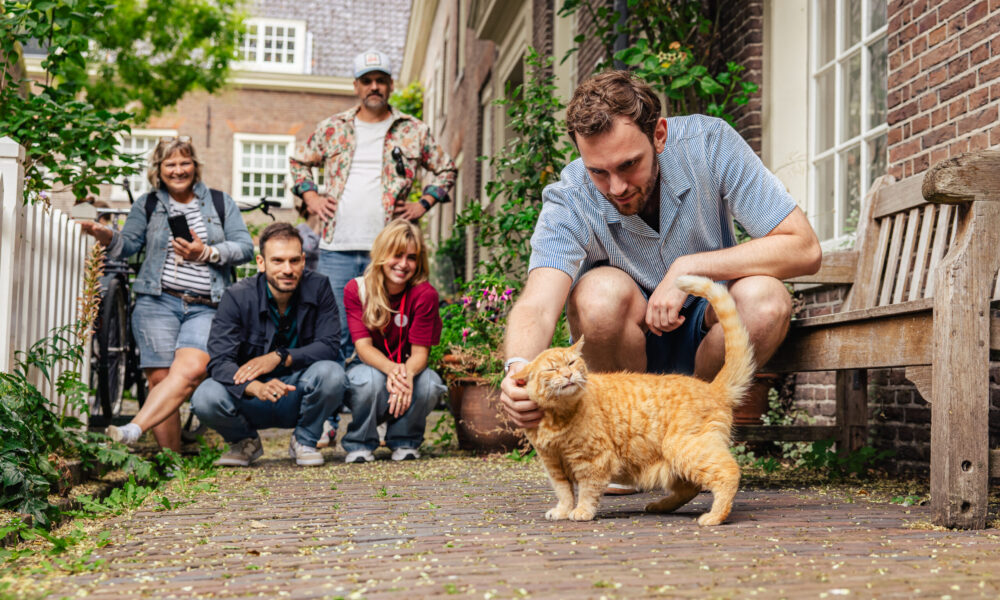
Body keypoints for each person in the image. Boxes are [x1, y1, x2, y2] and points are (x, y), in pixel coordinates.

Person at [499, 70, 821, 438]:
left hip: (709, 332)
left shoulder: (709, 144)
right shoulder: (570, 197)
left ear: (660, 135)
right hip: (624, 350)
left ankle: (687, 433)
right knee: (598, 293)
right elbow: (538, 304)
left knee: (765, 300)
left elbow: (804, 247)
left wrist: (690, 268)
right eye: (598, 172)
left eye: (628, 165)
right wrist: (518, 369)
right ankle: (623, 440)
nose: (616, 187)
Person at [79, 138, 254, 452]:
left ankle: (134, 429)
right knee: (160, 379)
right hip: (157, 301)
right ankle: (171, 465)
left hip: (207, 305)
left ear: (195, 166)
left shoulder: (219, 201)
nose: (178, 170)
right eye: (170, 164)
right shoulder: (147, 204)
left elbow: (245, 248)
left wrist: (208, 252)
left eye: (184, 162)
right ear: (158, 170)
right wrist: (105, 234)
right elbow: (129, 245)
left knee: (191, 370)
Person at [288, 49, 457, 369]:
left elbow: (446, 169)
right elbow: (299, 162)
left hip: (389, 253)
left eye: (381, 80)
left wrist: (424, 203)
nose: (374, 87)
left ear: (391, 85)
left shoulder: (413, 130)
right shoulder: (332, 128)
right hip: (336, 247)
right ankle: (333, 415)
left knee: (384, 332)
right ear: (356, 86)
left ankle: (377, 402)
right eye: (367, 81)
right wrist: (311, 196)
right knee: (334, 332)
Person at [191, 222, 347, 467]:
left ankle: (305, 440)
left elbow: (329, 345)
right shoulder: (237, 296)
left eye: (294, 261)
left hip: (299, 391)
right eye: (278, 261)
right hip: (251, 396)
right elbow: (220, 362)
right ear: (261, 263)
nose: (288, 269)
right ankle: (245, 442)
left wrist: (280, 356)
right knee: (205, 397)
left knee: (333, 374)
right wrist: (254, 387)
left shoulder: (319, 287)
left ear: (304, 261)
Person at [339, 220, 446, 463]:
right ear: (381, 254)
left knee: (430, 383)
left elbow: (420, 354)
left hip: (410, 367)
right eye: (396, 255)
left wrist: (405, 376)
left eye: (411, 257)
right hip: (371, 368)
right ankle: (360, 442)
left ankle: (405, 440)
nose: (403, 264)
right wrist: (394, 372)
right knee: (370, 381)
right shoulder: (357, 289)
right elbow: (363, 346)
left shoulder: (425, 294)